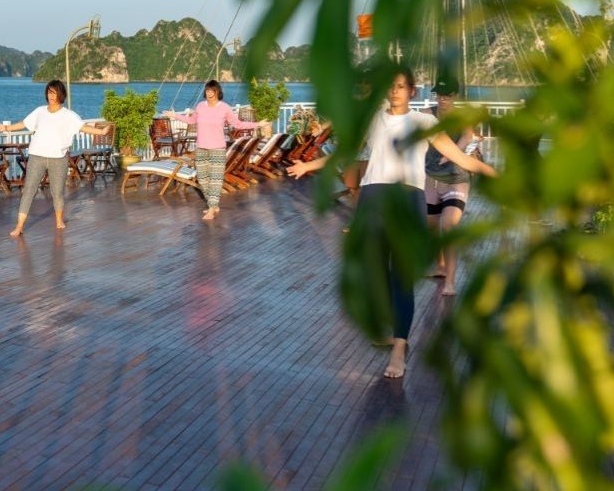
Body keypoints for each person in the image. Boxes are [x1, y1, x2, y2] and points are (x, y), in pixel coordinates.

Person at [286, 66, 495, 379]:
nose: (394, 91)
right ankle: (391, 323)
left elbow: (462, 158)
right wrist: (308, 165)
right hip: (373, 197)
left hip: (408, 199)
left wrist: (496, 174)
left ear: (412, 91)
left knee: (401, 277)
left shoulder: (424, 122)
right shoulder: (374, 119)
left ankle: (399, 347)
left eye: (401, 86)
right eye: (390, 86)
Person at [0, 79, 111, 238]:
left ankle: (59, 220)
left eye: (54, 93)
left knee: (57, 192)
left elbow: (83, 127)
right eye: (49, 92)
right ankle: (19, 226)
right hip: (37, 157)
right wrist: (6, 128)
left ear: (60, 94)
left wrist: (102, 132)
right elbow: (24, 123)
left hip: (58, 159)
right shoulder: (40, 111)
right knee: (28, 190)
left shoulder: (69, 115)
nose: (51, 96)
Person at [162, 80, 266, 221]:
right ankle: (213, 204)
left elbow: (237, 124)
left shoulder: (225, 108)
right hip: (201, 148)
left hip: (218, 149)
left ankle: (211, 209)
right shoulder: (200, 106)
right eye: (207, 90)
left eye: (212, 90)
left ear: (218, 92)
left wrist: (257, 124)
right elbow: (191, 120)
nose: (209, 93)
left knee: (216, 179)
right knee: (202, 179)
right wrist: (175, 116)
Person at [424, 77, 478, 297]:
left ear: (455, 96)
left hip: (456, 179)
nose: (442, 99)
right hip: (431, 178)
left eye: (447, 95)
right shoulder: (428, 114)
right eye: (439, 95)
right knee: (431, 226)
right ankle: (440, 265)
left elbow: (468, 135)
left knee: (449, 226)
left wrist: (452, 152)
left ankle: (450, 282)